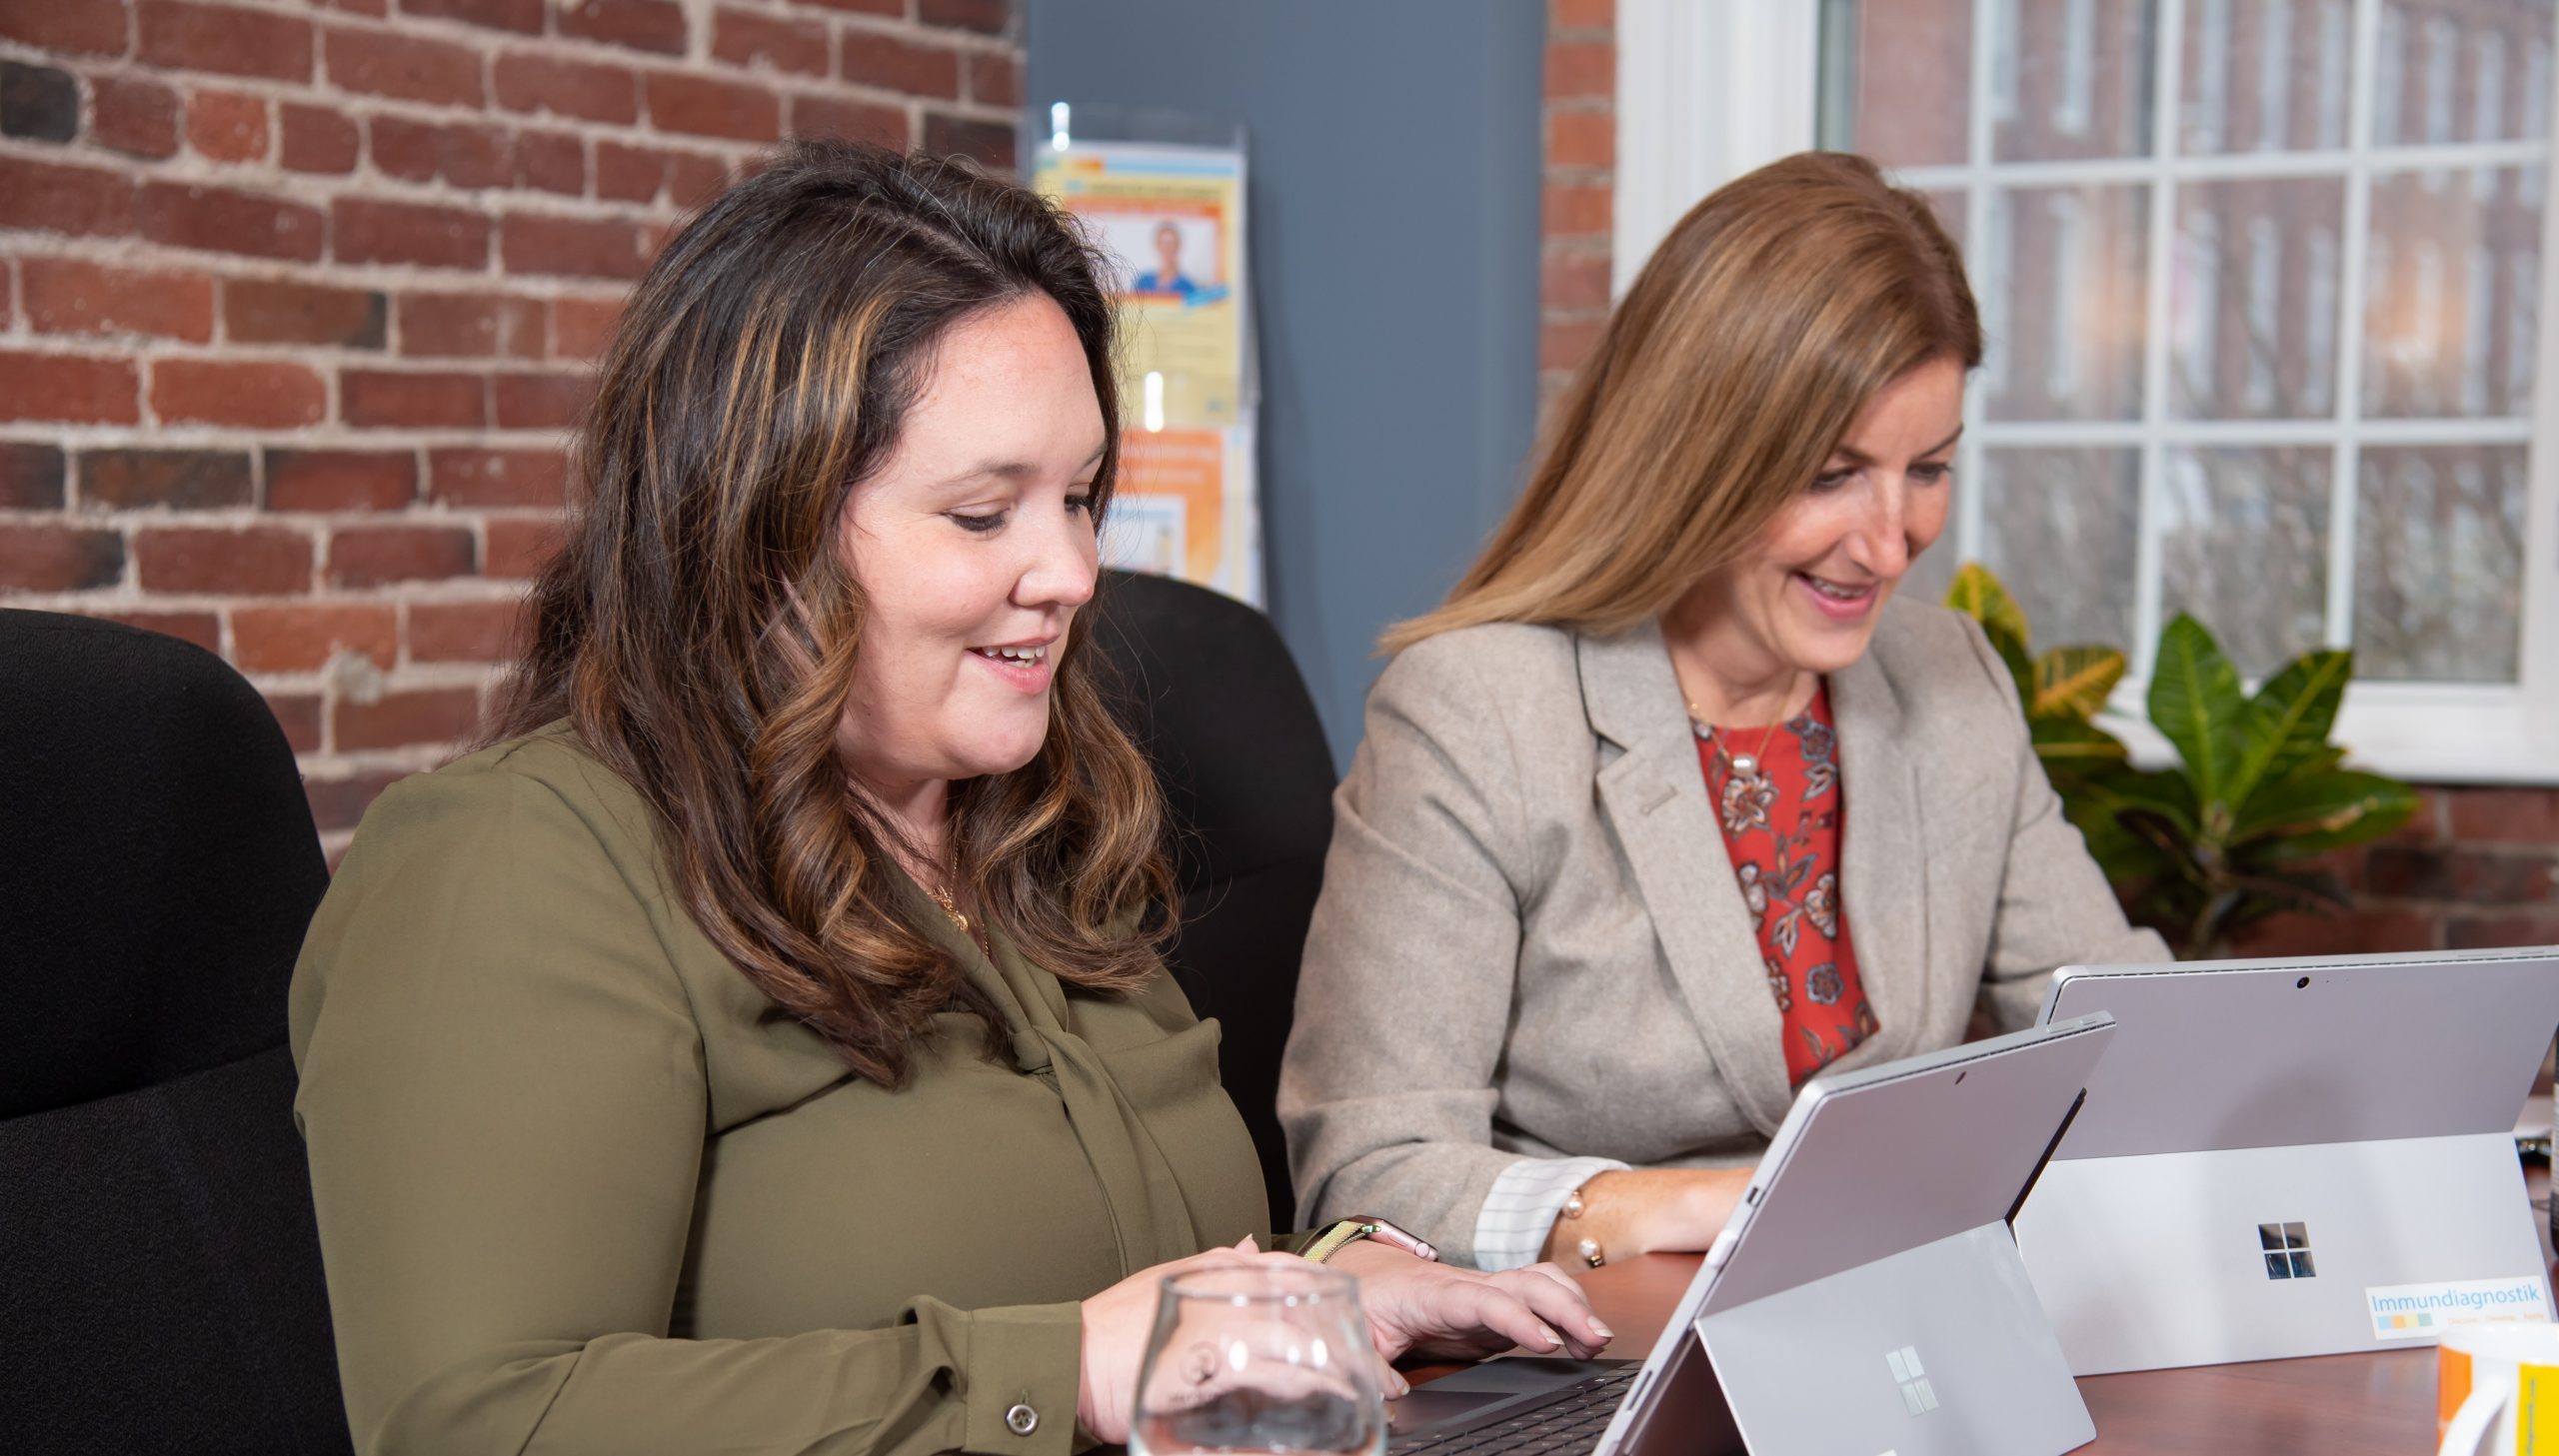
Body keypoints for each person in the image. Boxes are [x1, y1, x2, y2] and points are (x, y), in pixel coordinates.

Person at [289, 141, 1606, 1456]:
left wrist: (1319, 1288)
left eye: (1082, 498)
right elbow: (479, 1418)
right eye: (985, 514)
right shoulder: (517, 862)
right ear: (758, 530)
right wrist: (1070, 1371)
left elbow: (1120, 1255)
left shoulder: (1020, 817)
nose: (1075, 570)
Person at [1278, 152, 2169, 1275]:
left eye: (1927, 468)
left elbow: (2125, 1045)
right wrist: (1668, 1204)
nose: (1891, 542)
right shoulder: (1481, 708)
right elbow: (1368, 1164)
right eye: (1831, 473)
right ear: (1697, 454)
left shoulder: (1951, 679)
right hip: (1593, 1351)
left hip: (1887, 1319)